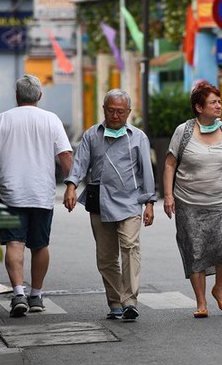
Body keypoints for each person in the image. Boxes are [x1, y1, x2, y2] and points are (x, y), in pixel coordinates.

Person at [0, 74, 73, 317]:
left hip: (11, 192)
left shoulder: (2, 119)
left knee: (14, 242)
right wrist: (71, 185)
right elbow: (65, 156)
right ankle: (36, 296)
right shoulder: (51, 120)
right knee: (40, 244)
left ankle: (19, 292)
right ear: (40, 96)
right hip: (41, 191)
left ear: (16, 96)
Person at [63, 89, 156, 321]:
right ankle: (116, 301)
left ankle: (130, 300)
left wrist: (150, 203)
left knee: (130, 246)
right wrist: (71, 187)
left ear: (129, 113)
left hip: (130, 201)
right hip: (100, 201)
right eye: (111, 111)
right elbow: (80, 164)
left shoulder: (138, 137)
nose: (116, 116)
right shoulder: (91, 135)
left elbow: (146, 171)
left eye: (121, 112)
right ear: (104, 110)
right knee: (105, 257)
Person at [162, 80, 222, 319]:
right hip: (188, 202)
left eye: (219, 101)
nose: (219, 106)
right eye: (213, 102)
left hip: (221, 201)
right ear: (199, 108)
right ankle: (201, 302)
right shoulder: (184, 131)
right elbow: (170, 163)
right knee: (195, 251)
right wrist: (168, 195)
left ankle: (218, 288)